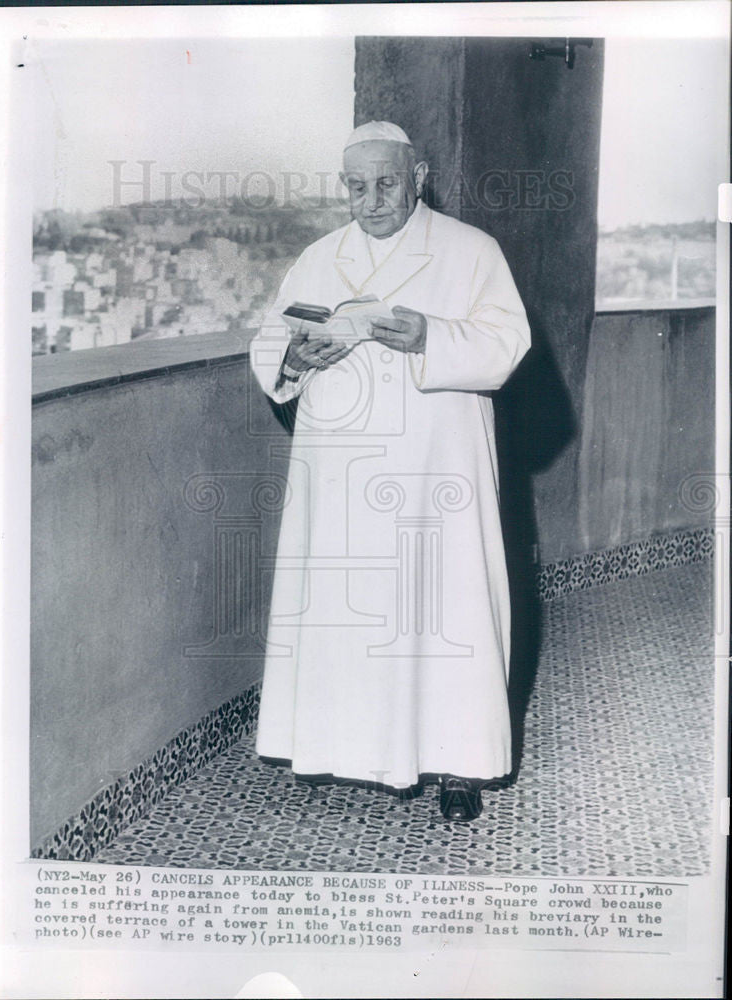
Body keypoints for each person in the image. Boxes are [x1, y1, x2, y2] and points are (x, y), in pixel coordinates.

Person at [249, 121, 530, 821]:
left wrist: (432, 335)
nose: (371, 200)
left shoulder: (469, 251)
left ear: (418, 177)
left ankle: (457, 765)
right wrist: (294, 359)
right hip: (340, 469)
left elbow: (507, 342)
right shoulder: (319, 256)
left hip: (433, 467)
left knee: (443, 611)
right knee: (349, 612)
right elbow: (270, 337)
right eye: (356, 186)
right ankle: (331, 746)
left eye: (386, 183)